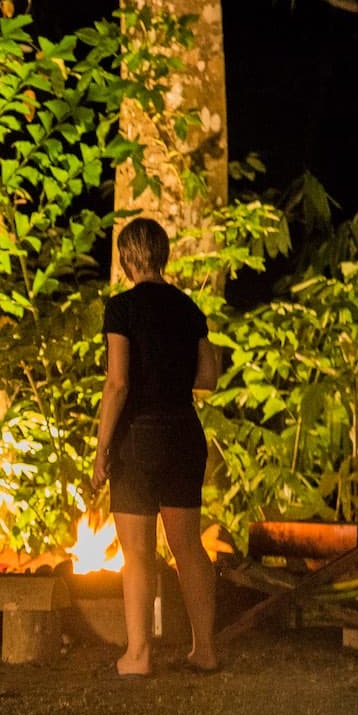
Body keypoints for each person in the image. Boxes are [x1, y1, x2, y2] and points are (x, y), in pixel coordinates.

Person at [92, 217, 221, 678]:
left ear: (126, 258)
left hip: (138, 439)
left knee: (139, 554)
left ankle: (139, 654)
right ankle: (204, 649)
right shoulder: (188, 308)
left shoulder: (122, 308)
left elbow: (118, 383)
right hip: (184, 433)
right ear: (163, 255)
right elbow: (208, 378)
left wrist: (102, 447)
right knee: (188, 547)